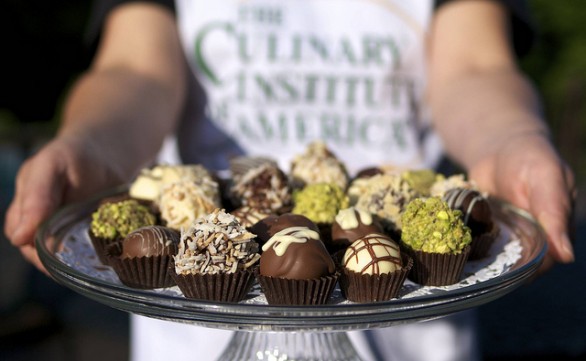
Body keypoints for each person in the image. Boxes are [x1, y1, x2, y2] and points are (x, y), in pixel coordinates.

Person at [5, 0, 575, 360]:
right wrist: (89, 144)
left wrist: (509, 141)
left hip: (407, 319)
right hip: (202, 312)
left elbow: (475, 67)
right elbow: (134, 69)